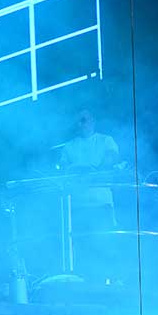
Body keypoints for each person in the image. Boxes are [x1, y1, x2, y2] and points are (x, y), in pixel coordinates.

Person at [58, 109, 122, 283]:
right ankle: (84, 283)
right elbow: (63, 170)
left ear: (93, 121)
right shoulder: (68, 146)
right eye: (78, 121)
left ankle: (109, 281)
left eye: (84, 120)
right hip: (77, 205)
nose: (81, 124)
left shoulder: (106, 140)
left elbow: (110, 159)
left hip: (101, 203)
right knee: (81, 245)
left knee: (105, 243)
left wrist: (90, 174)